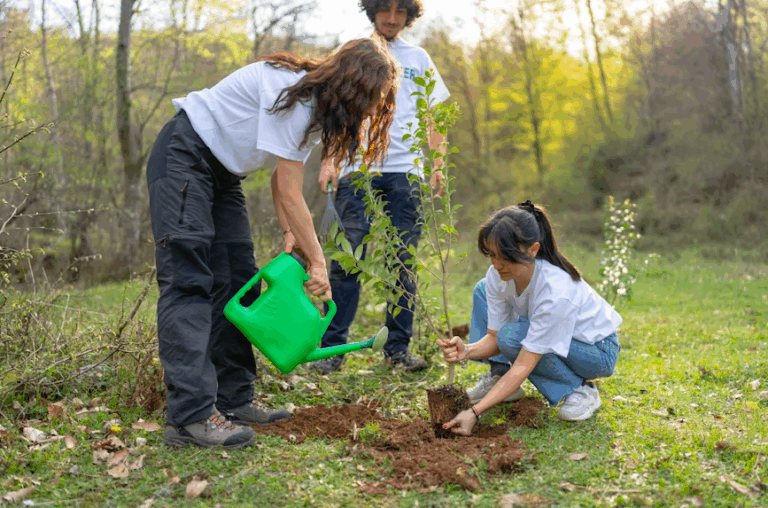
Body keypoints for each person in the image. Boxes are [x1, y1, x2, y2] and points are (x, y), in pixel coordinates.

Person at [146, 37, 401, 448]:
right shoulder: (295, 93)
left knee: (237, 281)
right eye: (373, 99)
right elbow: (288, 189)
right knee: (188, 282)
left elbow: (281, 178)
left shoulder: (313, 108)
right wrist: (317, 262)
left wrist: (289, 231)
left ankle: (233, 399)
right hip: (184, 156)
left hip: (223, 173)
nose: (374, 110)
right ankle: (189, 417)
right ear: (353, 88)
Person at [309, 0, 450, 374]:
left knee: (402, 260)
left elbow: (434, 116)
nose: (391, 18)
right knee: (347, 259)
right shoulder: (354, 53)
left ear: (409, 15)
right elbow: (336, 111)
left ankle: (397, 349)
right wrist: (329, 160)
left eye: (400, 11)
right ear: (372, 10)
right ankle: (332, 348)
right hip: (357, 170)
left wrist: (437, 164)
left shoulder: (419, 58)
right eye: (385, 9)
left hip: (406, 172)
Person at [436, 201, 622, 435]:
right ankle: (500, 378)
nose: (497, 264)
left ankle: (579, 389)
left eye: (506, 256)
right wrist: (467, 351)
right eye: (492, 255)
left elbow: (524, 363)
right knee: (488, 298)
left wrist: (474, 412)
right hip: (565, 343)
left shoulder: (555, 290)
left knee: (513, 336)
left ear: (533, 250)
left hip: (597, 351)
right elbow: (494, 337)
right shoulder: (497, 276)